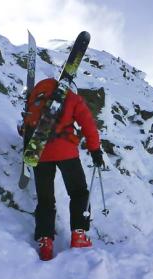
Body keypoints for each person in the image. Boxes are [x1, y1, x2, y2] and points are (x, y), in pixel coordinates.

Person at [21, 78, 104, 261]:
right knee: (79, 192)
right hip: (67, 153)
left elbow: (26, 126)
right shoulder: (72, 98)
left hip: (39, 152)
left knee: (45, 200)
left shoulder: (36, 97)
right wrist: (95, 150)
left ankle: (45, 242)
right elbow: (88, 125)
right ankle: (79, 235)